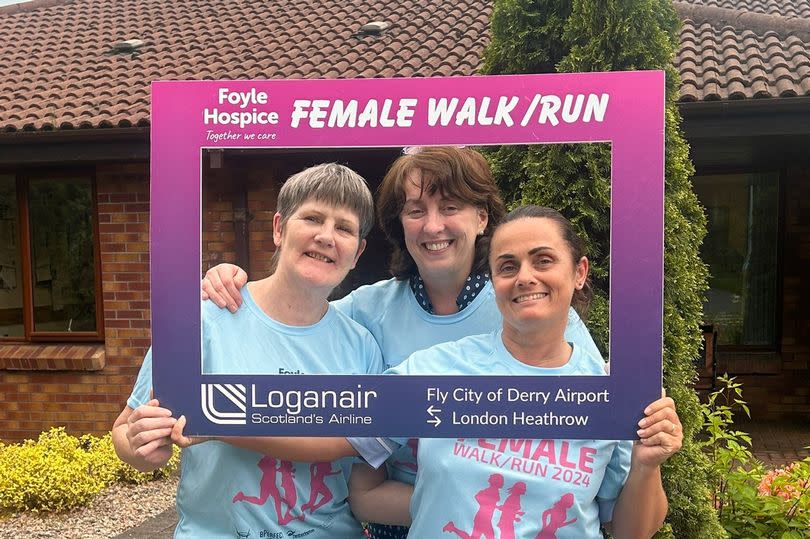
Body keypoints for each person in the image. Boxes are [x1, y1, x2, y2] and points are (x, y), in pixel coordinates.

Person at [201, 146, 604, 539]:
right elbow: (292, 319)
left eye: (449, 207)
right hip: (392, 515)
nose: (432, 226)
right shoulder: (363, 311)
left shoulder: (531, 309)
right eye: (415, 210)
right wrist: (235, 283)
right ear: (401, 224)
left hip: (514, 518)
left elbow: (597, 424)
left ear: (482, 218)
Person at [347, 205, 683, 538]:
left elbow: (631, 532)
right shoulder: (434, 369)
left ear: (579, 272)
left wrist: (645, 464)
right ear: (493, 282)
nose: (524, 277)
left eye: (543, 260)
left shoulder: (611, 391)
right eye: (508, 267)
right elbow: (348, 433)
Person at [112, 163, 382, 538]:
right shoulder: (201, 321)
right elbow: (125, 430)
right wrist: (138, 446)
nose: (326, 236)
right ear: (278, 228)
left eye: (344, 228)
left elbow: (366, 467)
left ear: (358, 252)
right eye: (313, 218)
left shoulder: (363, 347)